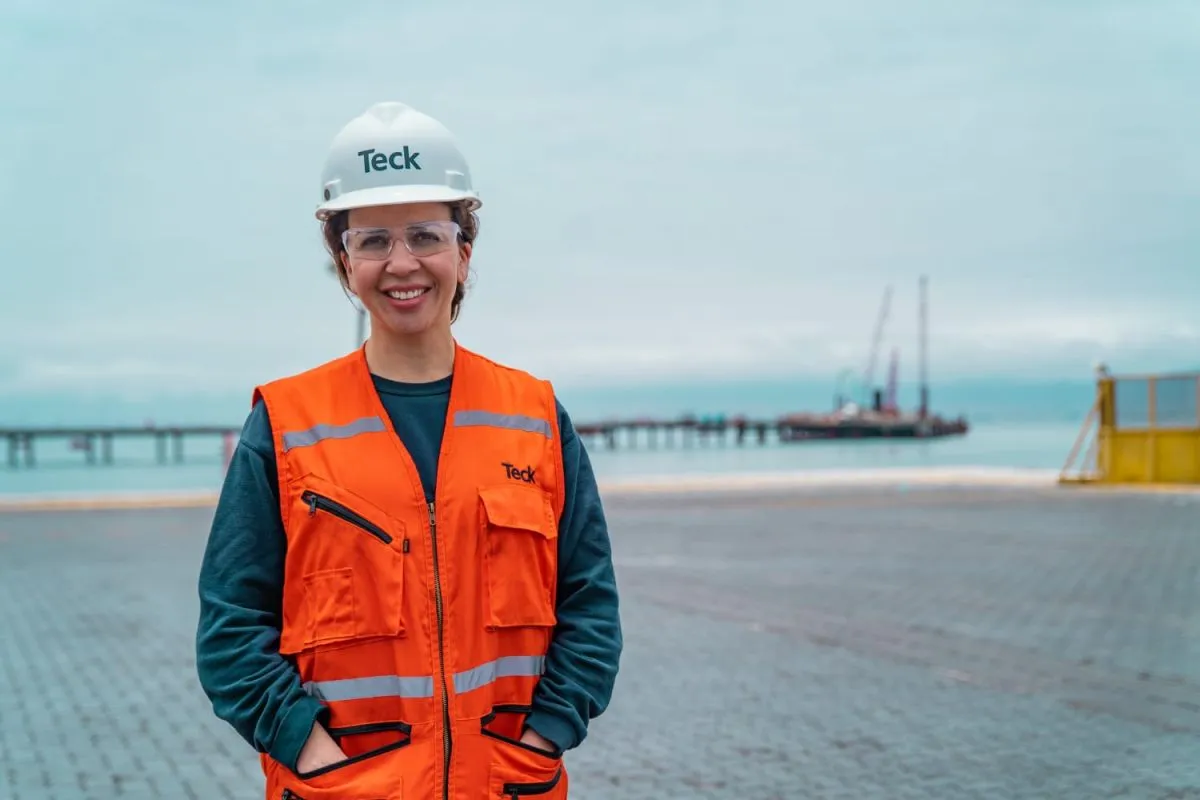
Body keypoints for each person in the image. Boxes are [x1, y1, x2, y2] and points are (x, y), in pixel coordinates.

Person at [195, 100, 623, 800]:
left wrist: (547, 731)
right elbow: (231, 625)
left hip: (507, 785)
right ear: (344, 259)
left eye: (425, 235)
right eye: (372, 241)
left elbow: (590, 605)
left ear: (465, 249)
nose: (402, 264)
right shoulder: (285, 422)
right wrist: (306, 746)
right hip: (349, 789)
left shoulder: (536, 417)